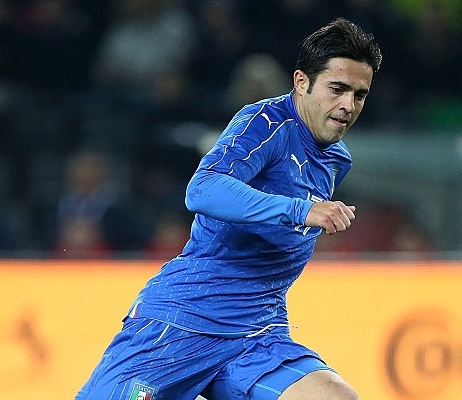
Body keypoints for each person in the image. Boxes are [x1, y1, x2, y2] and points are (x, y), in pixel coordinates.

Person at [75, 18, 382, 400]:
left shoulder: (336, 158)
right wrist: (300, 210)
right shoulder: (266, 123)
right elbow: (202, 189)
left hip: (258, 335)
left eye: (359, 94)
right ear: (302, 82)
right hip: (184, 322)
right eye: (337, 89)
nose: (348, 105)